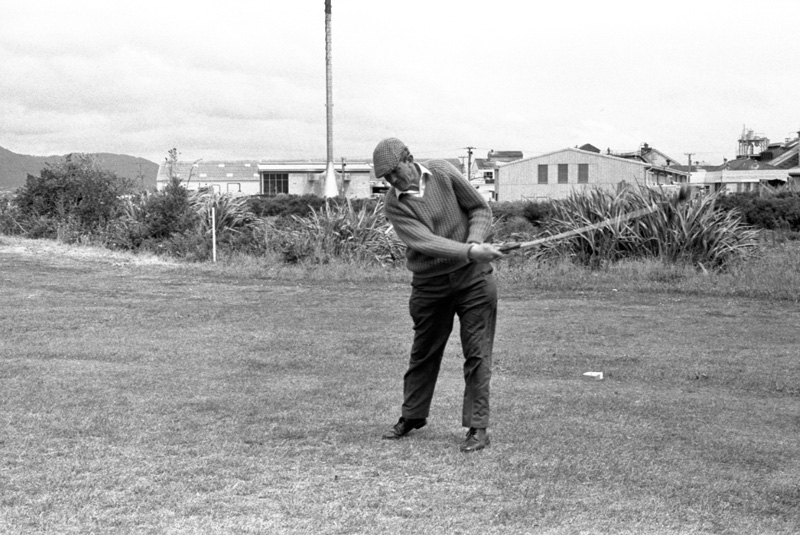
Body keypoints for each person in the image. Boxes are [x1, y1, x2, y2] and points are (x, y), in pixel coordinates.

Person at [374, 137, 503, 453]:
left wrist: (473, 242)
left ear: (409, 159)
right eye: (385, 178)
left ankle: (477, 427)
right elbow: (426, 242)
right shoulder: (395, 204)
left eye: (393, 172)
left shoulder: (443, 172)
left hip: (474, 281)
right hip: (430, 284)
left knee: (477, 352)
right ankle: (413, 416)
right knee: (424, 351)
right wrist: (471, 250)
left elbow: (479, 209)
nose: (392, 181)